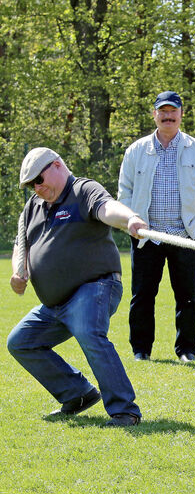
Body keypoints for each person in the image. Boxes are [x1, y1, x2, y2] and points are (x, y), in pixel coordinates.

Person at [8, 147, 147, 427]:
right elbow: (21, 244)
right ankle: (78, 394)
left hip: (95, 286)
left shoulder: (83, 190)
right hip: (55, 304)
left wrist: (129, 219)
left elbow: (107, 208)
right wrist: (18, 272)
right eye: (32, 185)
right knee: (21, 342)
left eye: (39, 179)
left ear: (57, 165)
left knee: (88, 330)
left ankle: (125, 410)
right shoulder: (33, 206)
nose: (37, 188)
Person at [118, 90, 195, 362]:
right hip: (146, 236)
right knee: (142, 296)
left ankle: (186, 350)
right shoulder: (136, 150)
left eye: (173, 111)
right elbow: (124, 192)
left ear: (181, 114)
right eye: (163, 111)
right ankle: (141, 350)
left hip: (185, 235)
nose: (168, 116)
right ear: (155, 114)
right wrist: (131, 221)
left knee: (187, 296)